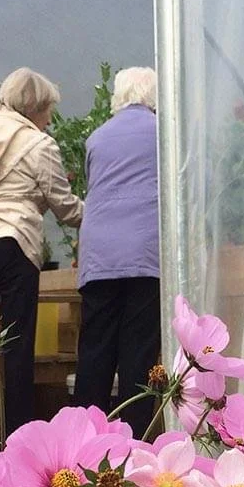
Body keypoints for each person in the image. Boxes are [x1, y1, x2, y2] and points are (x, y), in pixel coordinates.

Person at [0, 67, 83, 449]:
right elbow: (65, 207)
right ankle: (19, 443)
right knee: (17, 346)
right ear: (35, 107)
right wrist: (98, 214)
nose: (50, 119)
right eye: (48, 111)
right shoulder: (38, 144)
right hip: (13, 242)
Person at [72, 67, 160, 437]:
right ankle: (134, 442)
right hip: (143, 251)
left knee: (95, 349)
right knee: (137, 354)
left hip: (100, 255)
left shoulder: (97, 138)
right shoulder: (163, 134)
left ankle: (81, 439)